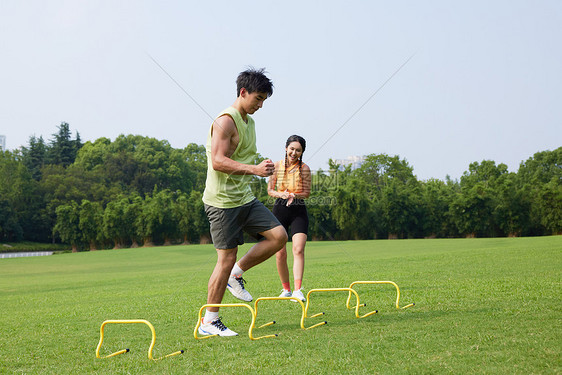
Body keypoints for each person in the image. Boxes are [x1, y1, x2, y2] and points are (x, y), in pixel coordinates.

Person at [199, 68, 288, 337]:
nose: (260, 105)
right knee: (225, 259)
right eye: (258, 99)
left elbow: (242, 158)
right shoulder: (225, 122)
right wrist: (254, 170)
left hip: (244, 198)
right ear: (243, 92)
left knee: (278, 236)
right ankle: (209, 321)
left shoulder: (250, 122)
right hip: (222, 202)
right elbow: (218, 161)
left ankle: (236, 275)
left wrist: (262, 167)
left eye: (264, 101)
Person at [267, 135, 311, 302]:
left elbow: (307, 193)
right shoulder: (276, 166)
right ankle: (286, 289)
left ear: (301, 152)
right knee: (280, 253)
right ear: (286, 148)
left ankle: (298, 290)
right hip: (279, 209)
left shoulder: (305, 169)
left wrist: (294, 194)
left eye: (298, 150)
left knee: (298, 249)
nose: (294, 152)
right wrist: (282, 194)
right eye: (292, 149)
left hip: (298, 210)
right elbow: (270, 190)